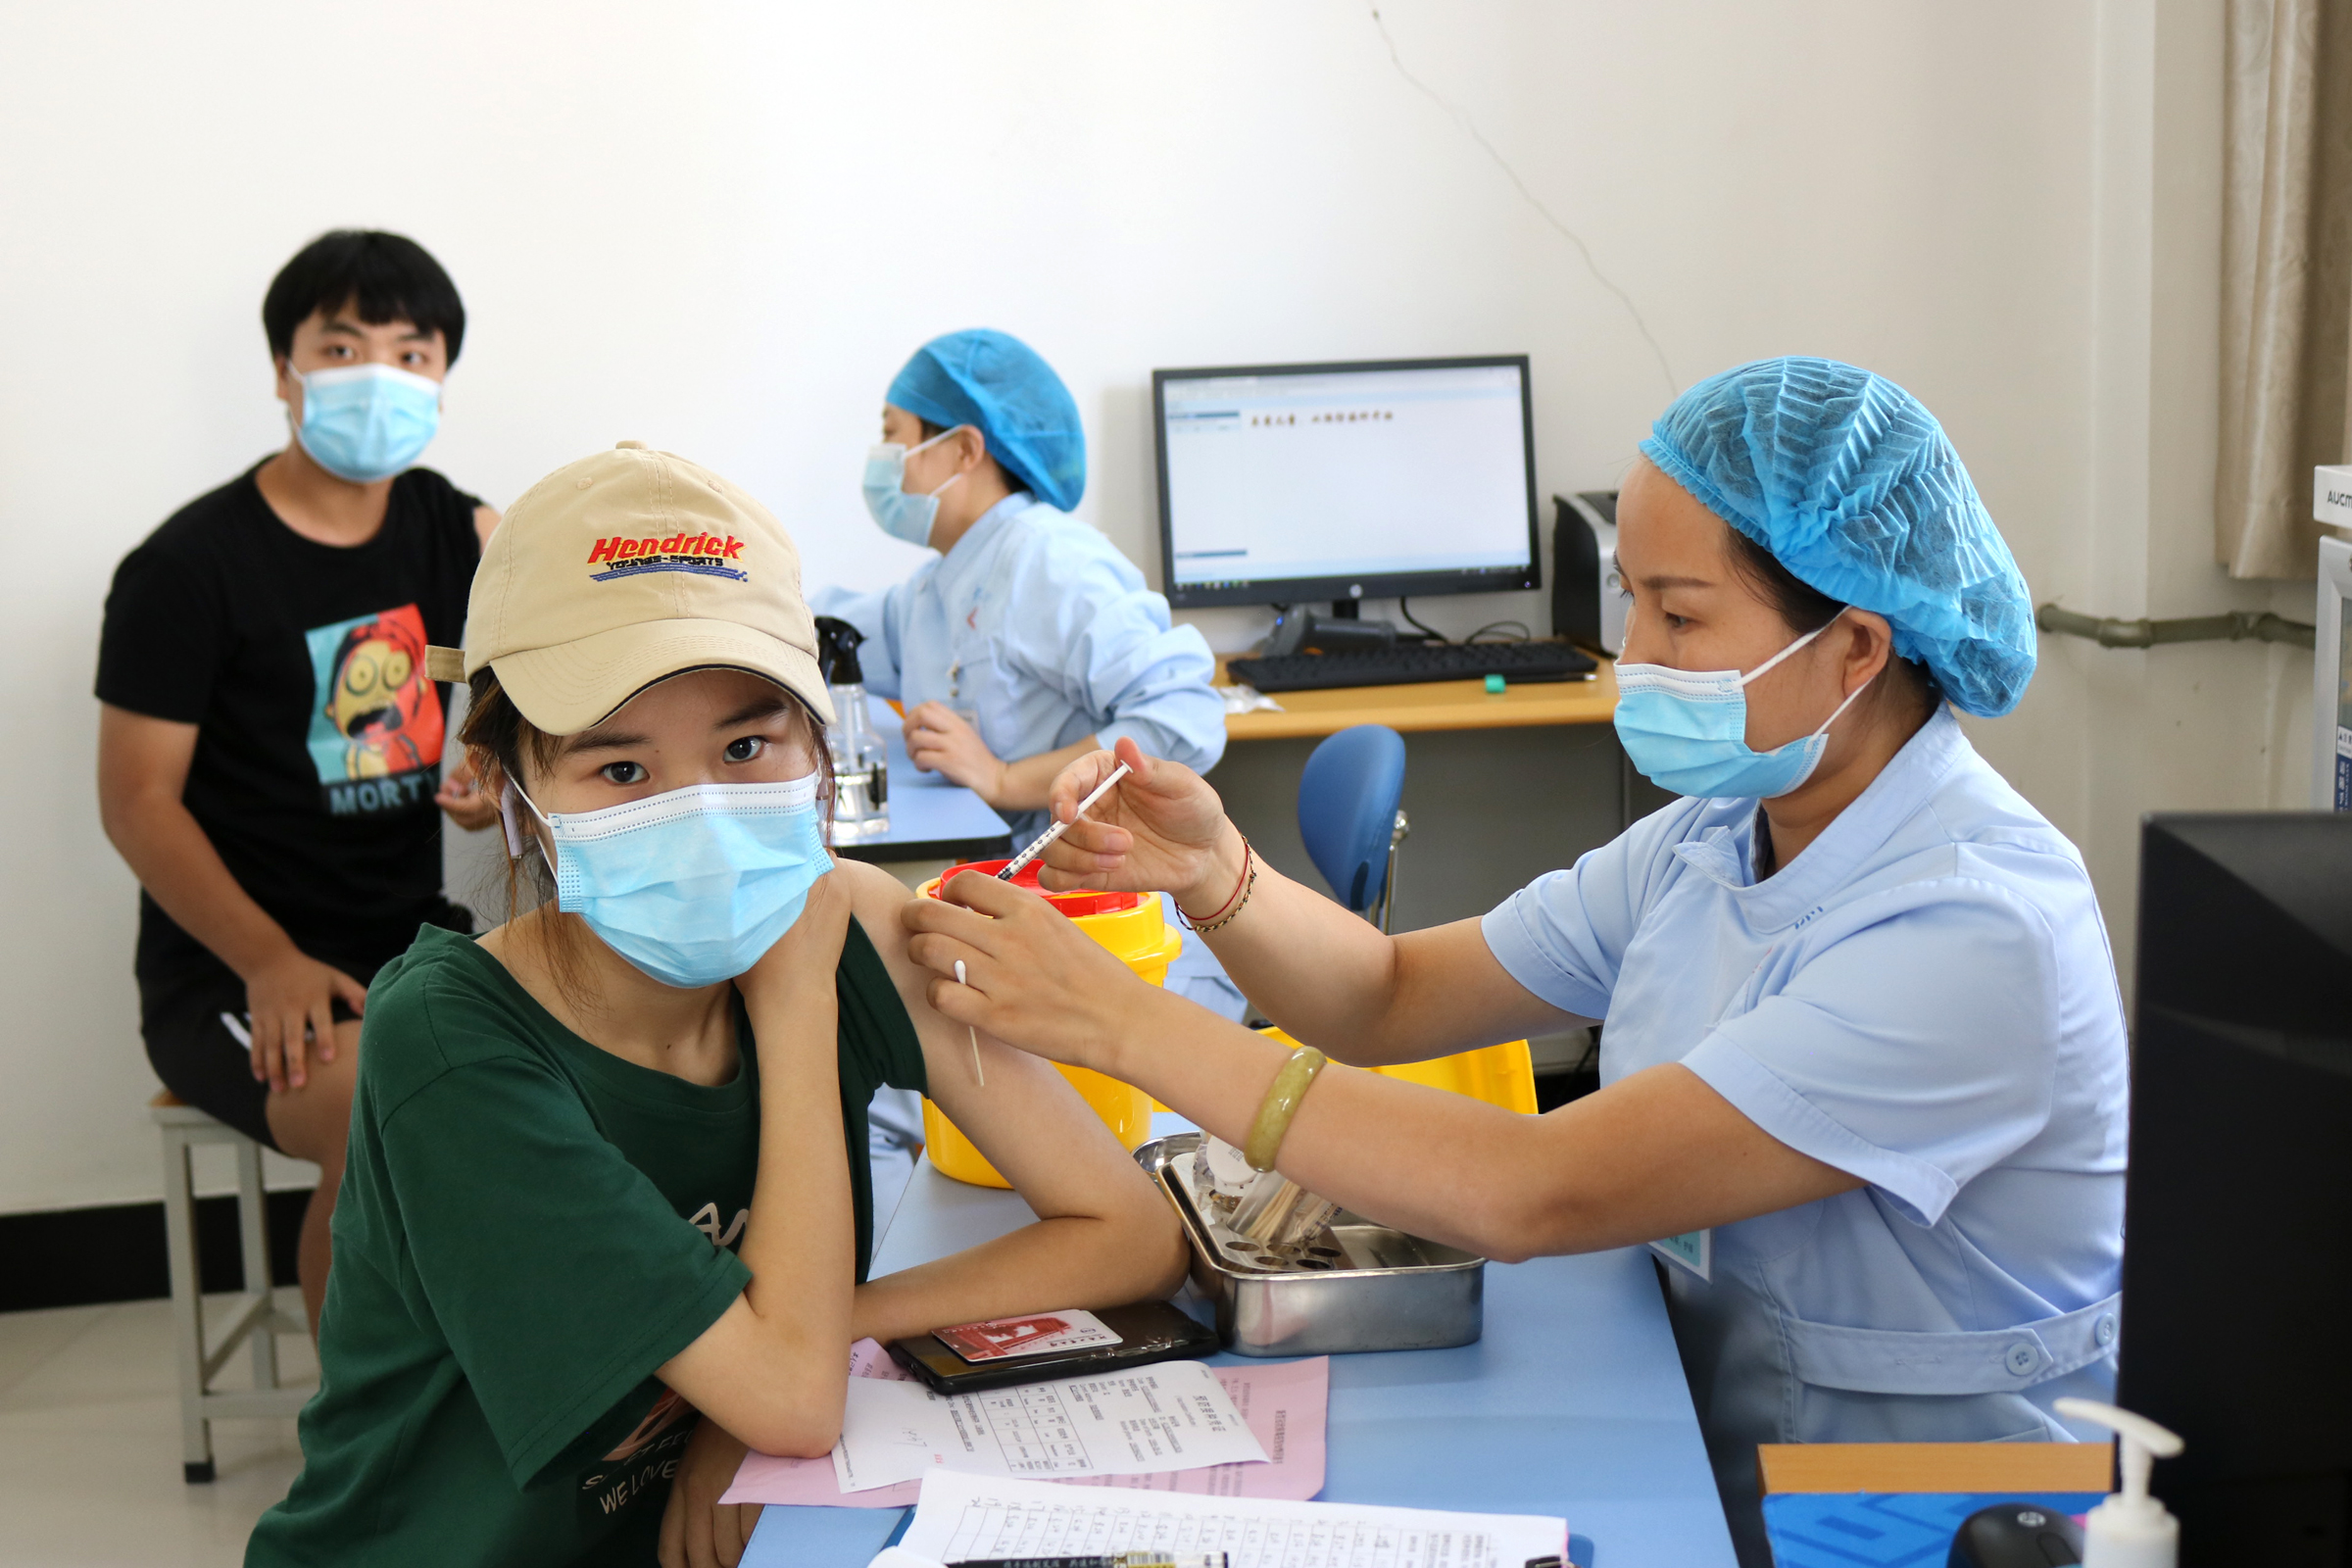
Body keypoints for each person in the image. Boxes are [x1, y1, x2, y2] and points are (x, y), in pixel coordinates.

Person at [903, 359, 2130, 1566]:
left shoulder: (1975, 928)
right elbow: (1388, 995)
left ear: (1856, 647)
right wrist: (1216, 872)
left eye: (1680, 615)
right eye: (1632, 600)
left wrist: (1124, 1023)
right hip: (1715, 1417)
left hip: (1928, 1508)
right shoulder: (1715, 837)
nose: (1634, 654)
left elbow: (1533, 1188)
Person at [244, 441, 1186, 1568]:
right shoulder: (451, 1044)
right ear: (511, 793)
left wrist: (803, 1340)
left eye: (745, 745)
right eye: (621, 771)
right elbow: (792, 1400)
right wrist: (792, 1016)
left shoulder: (849, 919)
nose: (702, 812)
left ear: (819, 745)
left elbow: (1133, 1234)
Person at [96, 230, 502, 1334]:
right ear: (285, 371)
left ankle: (507, 1387)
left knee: (590, 1068)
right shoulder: (186, 569)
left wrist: (491, 769)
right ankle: (361, 1429)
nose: (380, 375)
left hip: (412, 939)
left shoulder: (455, 528)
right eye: (342, 345)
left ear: (442, 378)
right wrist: (265, 959)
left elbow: (530, 685)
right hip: (232, 971)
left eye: (412, 354)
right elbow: (135, 801)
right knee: (389, 1118)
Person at [810, 329, 1240, 1195]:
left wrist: (1007, 779)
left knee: (882, 1095)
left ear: (963, 448)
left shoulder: (1049, 559)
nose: (884, 463)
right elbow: (835, 630)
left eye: (895, 437)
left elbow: (1183, 716)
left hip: (1118, 932)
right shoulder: (941, 583)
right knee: (875, 1081)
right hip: (1023, 907)